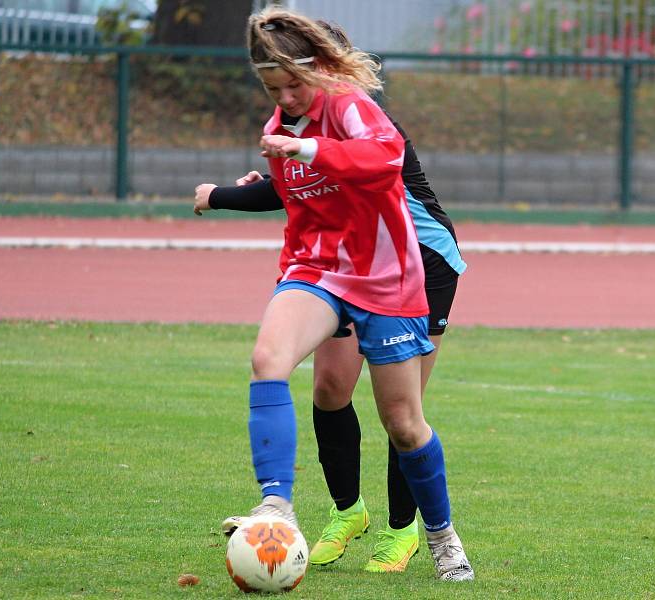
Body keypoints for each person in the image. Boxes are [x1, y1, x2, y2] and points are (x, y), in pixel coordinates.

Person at [204, 7, 473, 582]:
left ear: (322, 68)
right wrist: (243, 186)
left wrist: (302, 152)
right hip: (318, 268)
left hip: (388, 275)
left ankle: (439, 534)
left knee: (403, 422)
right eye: (274, 88)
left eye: (294, 83)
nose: (287, 97)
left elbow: (383, 159)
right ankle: (276, 502)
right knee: (269, 360)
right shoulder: (285, 120)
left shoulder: (350, 105)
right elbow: (295, 189)